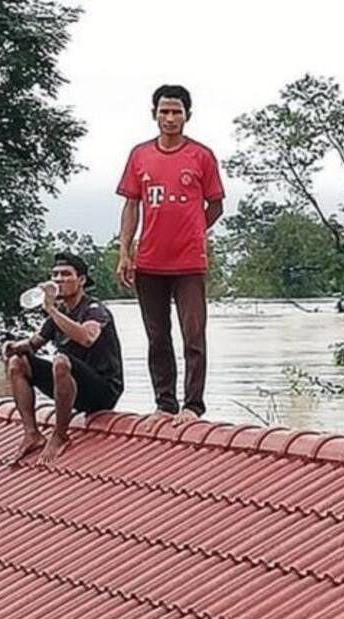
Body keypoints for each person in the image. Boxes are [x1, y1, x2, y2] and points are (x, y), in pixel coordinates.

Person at [115, 84, 225, 425]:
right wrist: (125, 251)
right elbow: (131, 205)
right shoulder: (140, 155)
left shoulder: (201, 156)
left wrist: (194, 231)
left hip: (189, 262)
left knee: (193, 334)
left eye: (177, 111)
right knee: (157, 336)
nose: (170, 117)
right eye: (164, 111)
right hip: (149, 261)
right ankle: (165, 404)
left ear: (187, 116)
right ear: (154, 115)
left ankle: (193, 406)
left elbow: (216, 205)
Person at [1, 252, 124, 464]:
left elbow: (87, 338)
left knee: (60, 360)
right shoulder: (59, 313)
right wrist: (13, 347)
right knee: (18, 363)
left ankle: (60, 434)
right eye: (55, 274)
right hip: (70, 383)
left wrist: (50, 309)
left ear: (81, 280)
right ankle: (32, 434)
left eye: (66, 274)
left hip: (102, 389)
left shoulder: (94, 309)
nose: (59, 280)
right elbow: (34, 344)